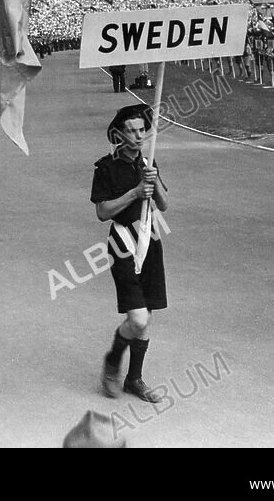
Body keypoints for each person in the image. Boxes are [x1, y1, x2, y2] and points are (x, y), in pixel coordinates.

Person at [91, 104, 169, 405]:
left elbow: (164, 204)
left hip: (150, 243)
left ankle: (134, 379)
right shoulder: (106, 167)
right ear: (119, 134)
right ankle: (112, 362)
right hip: (123, 246)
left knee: (145, 320)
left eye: (142, 130)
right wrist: (135, 192)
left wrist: (154, 180)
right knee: (136, 320)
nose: (139, 136)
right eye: (132, 131)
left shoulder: (149, 162)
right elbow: (102, 211)